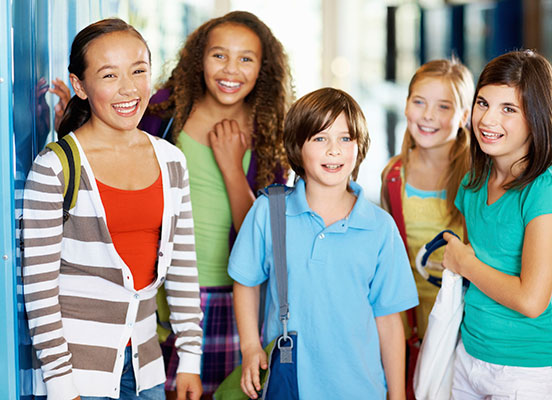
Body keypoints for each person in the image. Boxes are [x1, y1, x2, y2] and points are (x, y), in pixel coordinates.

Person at [22, 18, 203, 400]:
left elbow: (183, 265)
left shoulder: (171, 160)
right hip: (76, 377)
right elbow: (39, 286)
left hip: (145, 372)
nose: (128, 88)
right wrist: (59, 381)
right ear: (80, 86)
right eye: (108, 75)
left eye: (138, 70)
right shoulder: (56, 166)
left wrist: (189, 358)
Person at [139, 11, 294, 399]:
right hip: (164, 293)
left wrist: (231, 166)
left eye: (246, 58)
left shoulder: (270, 133)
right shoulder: (164, 113)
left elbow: (264, 238)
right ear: (199, 60)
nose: (231, 69)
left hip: (233, 298)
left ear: (263, 69)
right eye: (219, 55)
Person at [228, 87, 419, 399]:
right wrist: (250, 346)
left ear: (360, 146)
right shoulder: (269, 210)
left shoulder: (380, 227)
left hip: (361, 389)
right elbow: (246, 281)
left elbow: (388, 321)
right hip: (289, 384)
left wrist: (396, 395)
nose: (335, 150)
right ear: (296, 146)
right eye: (320, 138)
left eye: (346, 138)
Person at [442, 50, 552, 399]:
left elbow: (532, 300)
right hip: (469, 353)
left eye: (509, 109)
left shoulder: (543, 191)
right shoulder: (474, 180)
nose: (488, 119)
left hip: (525, 371)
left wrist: (464, 263)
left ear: (537, 118)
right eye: (483, 103)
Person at [381, 58, 474, 339]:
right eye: (419, 102)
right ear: (406, 104)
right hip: (408, 322)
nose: (428, 115)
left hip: (463, 324)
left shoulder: (477, 178)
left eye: (443, 106)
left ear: (463, 116)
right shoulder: (394, 175)